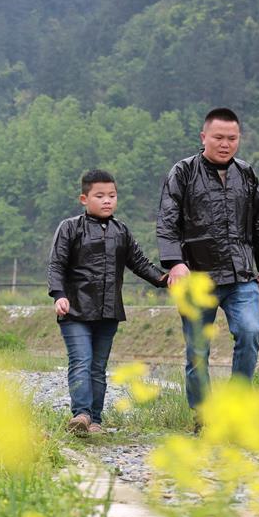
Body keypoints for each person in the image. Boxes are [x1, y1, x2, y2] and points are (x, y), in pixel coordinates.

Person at [156, 108, 259, 415]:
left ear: (239, 139)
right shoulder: (183, 172)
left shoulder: (247, 173)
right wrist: (175, 262)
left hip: (241, 276)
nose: (225, 144)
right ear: (204, 137)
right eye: (218, 137)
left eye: (232, 138)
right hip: (197, 278)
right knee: (198, 351)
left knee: (250, 333)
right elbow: (167, 220)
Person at [48, 169, 168, 434]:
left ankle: (96, 421)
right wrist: (59, 295)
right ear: (84, 198)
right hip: (75, 310)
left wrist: (164, 279)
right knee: (81, 360)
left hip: (108, 311)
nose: (107, 201)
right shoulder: (70, 228)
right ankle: (81, 414)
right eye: (99, 195)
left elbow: (139, 262)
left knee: (98, 367)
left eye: (112, 195)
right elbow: (57, 265)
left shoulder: (121, 231)